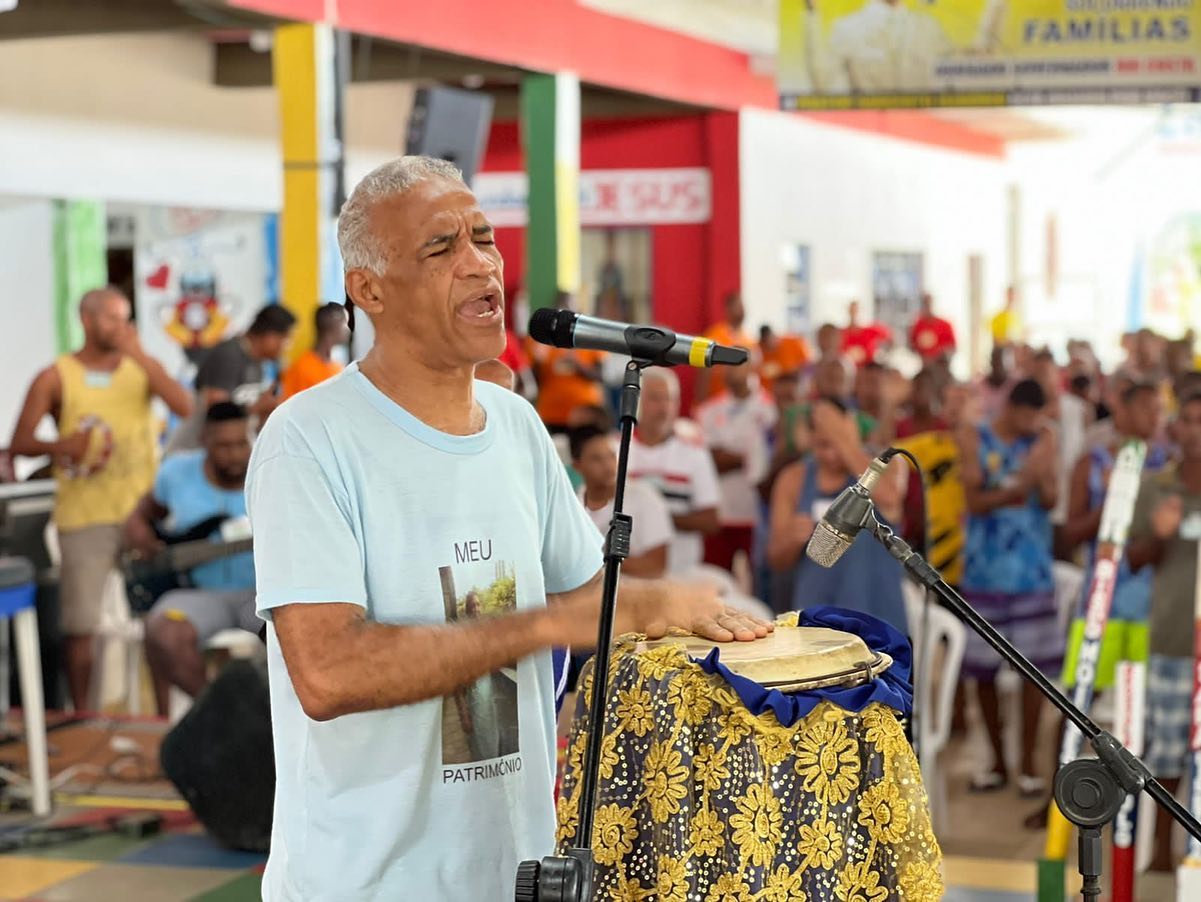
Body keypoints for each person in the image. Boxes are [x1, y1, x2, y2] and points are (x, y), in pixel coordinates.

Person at [245, 156, 770, 900]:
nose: (477, 264)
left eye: (483, 238)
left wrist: (713, 644)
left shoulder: (518, 428)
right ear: (369, 291)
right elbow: (328, 674)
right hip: (370, 881)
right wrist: (547, 624)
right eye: (440, 248)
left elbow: (592, 605)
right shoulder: (309, 439)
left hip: (517, 870)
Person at [9, 287, 192, 711]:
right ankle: (84, 718)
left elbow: (185, 407)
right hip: (85, 517)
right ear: (86, 320)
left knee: (155, 620)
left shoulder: (143, 368)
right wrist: (61, 447)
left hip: (143, 516)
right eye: (111, 318)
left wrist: (141, 356)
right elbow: (19, 441)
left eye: (126, 318)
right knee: (82, 627)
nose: (121, 327)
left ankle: (159, 722)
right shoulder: (55, 375)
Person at [958, 379, 1060, 796]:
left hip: (1032, 573)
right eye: (1030, 416)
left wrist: (1042, 475)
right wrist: (1020, 483)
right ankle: (997, 761)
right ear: (1013, 408)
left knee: (1032, 675)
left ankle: (1029, 765)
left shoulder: (1043, 441)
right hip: (984, 572)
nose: (1034, 423)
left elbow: (1051, 501)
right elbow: (975, 501)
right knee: (983, 673)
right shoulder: (975, 436)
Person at [127, 402, 257, 715]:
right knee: (163, 632)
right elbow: (142, 514)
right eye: (224, 446)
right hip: (199, 593)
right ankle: (223, 717)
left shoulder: (270, 469)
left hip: (261, 593)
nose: (235, 454)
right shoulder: (177, 473)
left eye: (241, 444)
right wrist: (141, 535)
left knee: (295, 634)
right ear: (205, 442)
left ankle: (268, 724)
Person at [1127, 393, 1201, 871]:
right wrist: (1159, 533)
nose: (1196, 430)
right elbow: (1132, 560)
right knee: (1168, 751)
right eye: (1189, 421)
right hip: (1174, 638)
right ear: (1175, 428)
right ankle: (1159, 850)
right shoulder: (1159, 486)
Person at [766, 399, 908, 633]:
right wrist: (790, 539)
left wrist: (844, 439)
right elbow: (775, 560)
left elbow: (889, 497)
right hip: (819, 620)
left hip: (879, 617)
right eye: (823, 445)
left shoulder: (888, 463)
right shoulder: (794, 479)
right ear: (811, 440)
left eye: (837, 444)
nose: (832, 455)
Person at [167, 304, 296, 452]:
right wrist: (257, 408)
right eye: (286, 339)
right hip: (194, 455)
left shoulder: (258, 364)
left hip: (227, 457)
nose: (287, 346)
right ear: (270, 336)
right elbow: (217, 411)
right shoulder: (229, 354)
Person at [629, 368, 721, 576]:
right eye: (655, 399)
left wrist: (656, 515)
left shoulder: (695, 454)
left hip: (681, 573)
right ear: (636, 401)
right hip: (629, 575)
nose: (664, 408)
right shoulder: (618, 451)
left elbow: (711, 521)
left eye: (670, 399)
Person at [696, 356, 776, 574]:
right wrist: (750, 458)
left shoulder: (772, 409)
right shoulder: (709, 411)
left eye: (738, 364)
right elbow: (710, 461)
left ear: (752, 366)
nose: (731, 371)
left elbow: (774, 465)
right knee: (716, 580)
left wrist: (730, 457)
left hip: (758, 512)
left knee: (760, 581)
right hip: (720, 513)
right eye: (727, 365)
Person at [570, 425, 672, 579]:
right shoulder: (571, 505)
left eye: (612, 456)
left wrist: (597, 557)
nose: (607, 465)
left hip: (636, 592)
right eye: (596, 459)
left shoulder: (645, 497)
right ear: (577, 466)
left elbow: (656, 567)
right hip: (585, 593)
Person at [894, 369, 965, 585]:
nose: (956, 409)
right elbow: (885, 455)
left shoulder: (980, 445)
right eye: (950, 403)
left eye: (961, 402)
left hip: (961, 543)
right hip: (921, 531)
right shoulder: (929, 441)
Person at [803, 0, 953, 94]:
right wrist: (812, 11)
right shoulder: (848, 29)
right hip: (870, 128)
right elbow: (823, 84)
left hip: (923, 131)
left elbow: (958, 76)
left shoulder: (928, 27)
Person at [528, 292, 605, 432]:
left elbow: (600, 375)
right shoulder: (543, 341)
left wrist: (578, 364)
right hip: (551, 414)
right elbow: (533, 382)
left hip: (586, 414)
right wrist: (538, 362)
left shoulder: (589, 336)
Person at [695, 292, 755, 406]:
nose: (742, 310)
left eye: (743, 306)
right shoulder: (714, 336)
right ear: (727, 309)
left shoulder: (749, 339)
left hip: (741, 405)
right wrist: (700, 404)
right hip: (715, 404)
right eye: (738, 306)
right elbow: (703, 375)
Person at [279, 302, 350, 399]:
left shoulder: (338, 368)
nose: (348, 328)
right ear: (334, 323)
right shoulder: (301, 369)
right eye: (345, 322)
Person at [757, 324, 810, 394]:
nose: (770, 346)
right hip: (775, 392)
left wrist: (788, 370)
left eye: (771, 340)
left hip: (799, 385)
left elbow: (808, 366)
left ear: (774, 336)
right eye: (766, 344)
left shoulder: (793, 342)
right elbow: (761, 378)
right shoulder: (761, 352)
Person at [908, 293, 957, 365]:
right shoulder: (917, 326)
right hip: (924, 367)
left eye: (929, 304)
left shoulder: (945, 325)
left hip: (942, 366)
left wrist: (940, 355)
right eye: (924, 304)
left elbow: (952, 347)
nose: (927, 307)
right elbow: (912, 346)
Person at [840, 300, 891, 367]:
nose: (854, 314)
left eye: (856, 310)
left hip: (869, 371)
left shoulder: (871, 330)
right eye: (852, 311)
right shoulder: (841, 334)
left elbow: (889, 338)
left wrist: (882, 354)